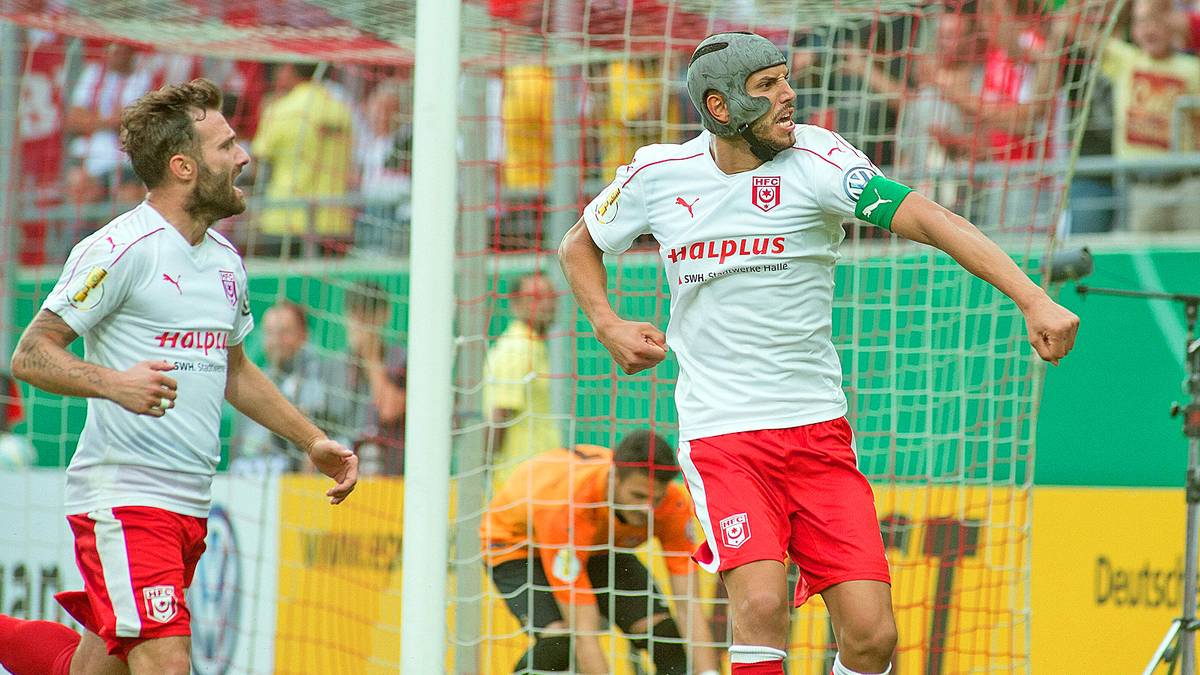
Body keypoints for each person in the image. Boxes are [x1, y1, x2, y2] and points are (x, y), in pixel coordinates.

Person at [559, 32, 1079, 675]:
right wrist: (607, 323)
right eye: (767, 87)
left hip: (817, 433)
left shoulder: (820, 160)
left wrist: (1032, 298)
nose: (789, 96)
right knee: (759, 601)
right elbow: (577, 244)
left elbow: (929, 218)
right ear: (719, 109)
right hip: (722, 436)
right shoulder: (656, 174)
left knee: (871, 638)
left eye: (785, 80)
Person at [0, 78, 358, 675]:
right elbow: (31, 353)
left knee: (89, 671)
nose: (243, 157)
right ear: (183, 165)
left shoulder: (226, 262)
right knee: (168, 664)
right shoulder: (121, 248)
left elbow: (235, 370)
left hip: (188, 506)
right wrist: (115, 384)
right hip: (124, 500)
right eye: (227, 146)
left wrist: (310, 440)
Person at [481, 430, 721, 674]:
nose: (647, 510)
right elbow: (584, 632)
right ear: (614, 477)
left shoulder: (672, 505)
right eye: (637, 496)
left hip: (597, 547)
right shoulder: (569, 508)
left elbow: (689, 606)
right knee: (562, 639)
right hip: (517, 547)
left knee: (664, 634)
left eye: (655, 499)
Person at [1103, 0, 1200, 232]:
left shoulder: (1191, 69)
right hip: (1140, 187)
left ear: (1172, 26)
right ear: (1133, 30)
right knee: (1141, 256)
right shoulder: (1125, 60)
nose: (1150, 29)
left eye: (1156, 21)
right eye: (1142, 22)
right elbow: (1085, 35)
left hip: (1186, 185)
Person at [230, 301, 354, 473]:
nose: (276, 341)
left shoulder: (325, 374)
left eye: (284, 332)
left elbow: (341, 429)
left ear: (304, 335)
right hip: (258, 474)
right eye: (270, 333)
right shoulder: (252, 383)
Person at [249, 61, 354, 256]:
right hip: (333, 218)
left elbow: (259, 161)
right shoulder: (341, 110)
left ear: (288, 69)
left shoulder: (281, 110)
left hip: (284, 217)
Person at [482, 272, 561, 482]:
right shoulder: (517, 349)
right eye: (536, 297)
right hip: (519, 479)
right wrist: (485, 471)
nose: (546, 303)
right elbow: (499, 415)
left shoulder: (532, 345)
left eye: (550, 295)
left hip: (538, 473)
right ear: (515, 304)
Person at [344, 280, 407, 475]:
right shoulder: (336, 365)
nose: (360, 322)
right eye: (355, 314)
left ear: (384, 315)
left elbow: (389, 410)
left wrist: (370, 355)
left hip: (391, 476)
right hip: (344, 473)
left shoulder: (401, 359)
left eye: (367, 314)